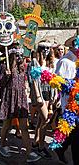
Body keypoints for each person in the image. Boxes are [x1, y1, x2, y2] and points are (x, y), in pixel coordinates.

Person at [0, 51, 41, 163]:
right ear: (11, 56)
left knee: (24, 127)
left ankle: (29, 152)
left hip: (21, 99)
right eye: (17, 56)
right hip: (10, 98)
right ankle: (2, 145)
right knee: (7, 125)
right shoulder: (5, 66)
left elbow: (27, 81)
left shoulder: (23, 68)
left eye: (21, 56)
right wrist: (6, 76)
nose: (20, 58)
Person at [54, 36, 79, 165]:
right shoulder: (65, 61)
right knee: (75, 135)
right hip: (70, 103)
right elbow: (58, 82)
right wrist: (72, 85)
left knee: (73, 133)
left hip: (77, 103)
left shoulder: (76, 61)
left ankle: (61, 148)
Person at [27, 50, 52, 159]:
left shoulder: (49, 62)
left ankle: (36, 141)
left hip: (48, 92)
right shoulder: (34, 62)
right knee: (46, 119)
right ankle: (41, 147)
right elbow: (33, 79)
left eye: (48, 48)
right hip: (39, 95)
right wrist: (37, 95)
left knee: (41, 120)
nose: (46, 51)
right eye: (43, 48)